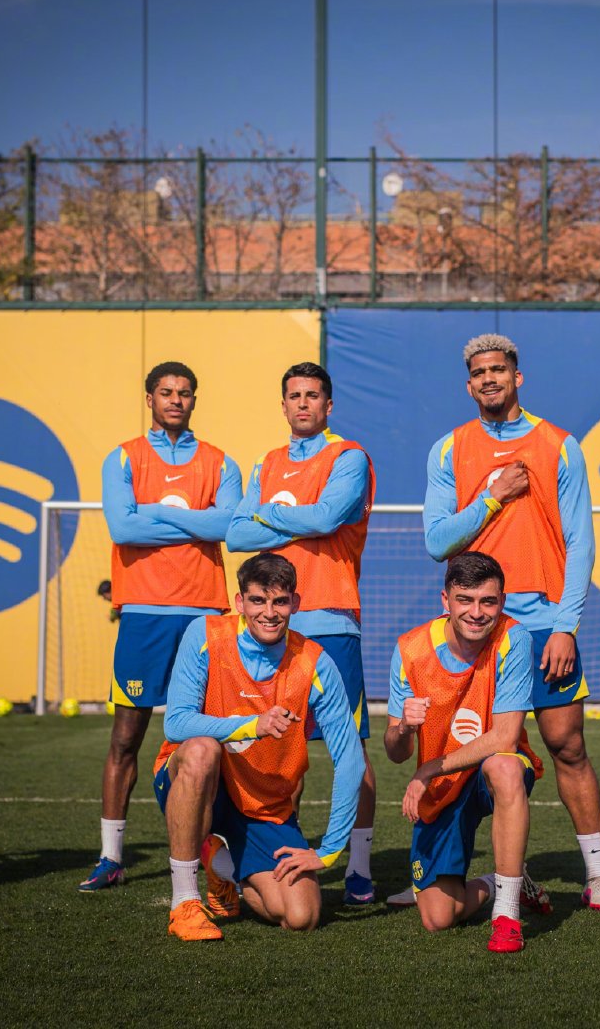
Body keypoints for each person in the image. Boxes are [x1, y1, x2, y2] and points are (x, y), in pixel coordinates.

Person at [420, 333, 600, 911]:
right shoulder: (448, 449)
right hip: (476, 626)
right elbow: (437, 541)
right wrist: (493, 497)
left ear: (517, 377)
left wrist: (565, 626)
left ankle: (599, 875)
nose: (489, 378)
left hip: (544, 624)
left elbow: (581, 543)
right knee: (468, 749)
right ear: (468, 384)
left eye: (498, 369)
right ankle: (446, 874)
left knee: (567, 746)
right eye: (479, 372)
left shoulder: (559, 445)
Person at [80, 361, 243, 892]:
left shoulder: (220, 461)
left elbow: (228, 524)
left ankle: (211, 850)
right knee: (126, 737)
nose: (176, 399)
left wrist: (155, 513)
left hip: (205, 615)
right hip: (144, 614)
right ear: (149, 398)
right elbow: (122, 527)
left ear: (194, 400)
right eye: (167, 392)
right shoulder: (123, 457)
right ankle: (111, 856)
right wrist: (196, 522)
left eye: (185, 393)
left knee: (209, 739)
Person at [151, 553, 364, 940]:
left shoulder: (315, 663)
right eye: (258, 600)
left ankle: (220, 864)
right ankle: (185, 902)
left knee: (301, 916)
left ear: (295, 603)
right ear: (240, 602)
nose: (269, 612)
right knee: (201, 750)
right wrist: (253, 725)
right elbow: (176, 723)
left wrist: (328, 851)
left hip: (264, 803)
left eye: (280, 601)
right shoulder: (205, 634)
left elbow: (350, 759)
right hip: (201, 782)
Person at [227, 361, 379, 904]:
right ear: (283, 404)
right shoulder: (266, 463)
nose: (303, 404)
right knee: (279, 748)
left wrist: (267, 514)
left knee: (349, 750)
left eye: (313, 395)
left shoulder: (348, 456)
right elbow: (235, 535)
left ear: (328, 405)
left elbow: (327, 518)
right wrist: (292, 519)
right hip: (271, 625)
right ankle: (280, 851)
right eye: (294, 396)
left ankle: (358, 865)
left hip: (331, 620)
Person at [383, 552, 552, 953]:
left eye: (488, 601)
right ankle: (505, 882)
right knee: (437, 918)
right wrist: (403, 727)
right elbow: (395, 752)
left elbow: (505, 737)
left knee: (504, 767)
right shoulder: (410, 649)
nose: (477, 613)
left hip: (487, 769)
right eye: (465, 600)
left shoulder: (513, 637)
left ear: (502, 602)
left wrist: (428, 770)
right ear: (446, 600)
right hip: (443, 787)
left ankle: (506, 916)